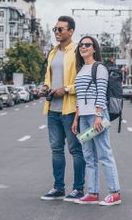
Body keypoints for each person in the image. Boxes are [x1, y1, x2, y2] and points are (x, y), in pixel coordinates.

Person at [40, 16, 86, 202]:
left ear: (71, 31)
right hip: (53, 109)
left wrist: (66, 89)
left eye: (61, 29)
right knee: (56, 149)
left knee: (75, 150)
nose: (57, 32)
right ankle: (58, 187)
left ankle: (78, 189)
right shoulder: (52, 52)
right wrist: (45, 88)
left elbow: (85, 82)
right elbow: (47, 77)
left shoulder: (77, 51)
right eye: (55, 29)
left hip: (71, 110)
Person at [72, 36, 121, 206]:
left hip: (96, 116)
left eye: (87, 44)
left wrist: (99, 115)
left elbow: (101, 92)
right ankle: (92, 193)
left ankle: (115, 193)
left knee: (104, 154)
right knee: (89, 156)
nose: (83, 47)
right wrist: (76, 118)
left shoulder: (99, 68)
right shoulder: (80, 69)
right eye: (81, 45)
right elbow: (79, 96)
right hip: (84, 118)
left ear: (94, 49)